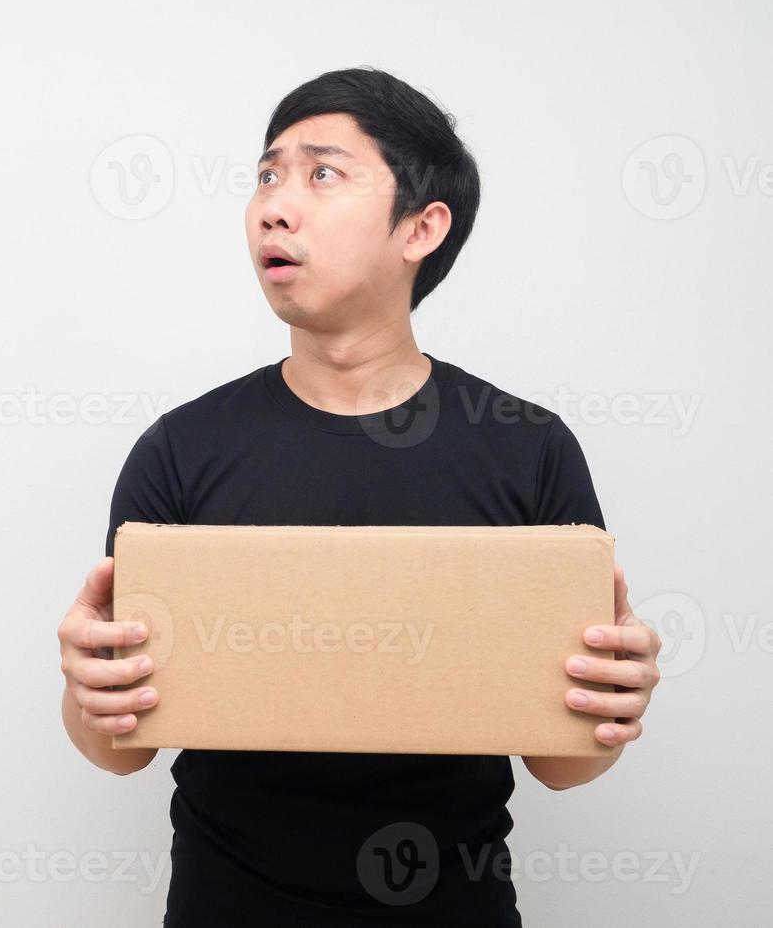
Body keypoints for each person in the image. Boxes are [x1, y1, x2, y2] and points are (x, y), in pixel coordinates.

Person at [57, 67, 662, 925]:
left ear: (421, 226)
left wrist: (611, 704)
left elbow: (561, 765)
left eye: (321, 173)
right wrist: (87, 693)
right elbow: (119, 751)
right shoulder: (183, 448)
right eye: (267, 175)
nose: (274, 204)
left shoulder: (525, 447)